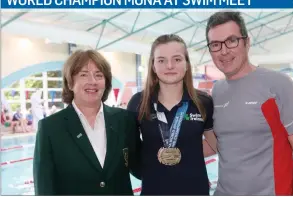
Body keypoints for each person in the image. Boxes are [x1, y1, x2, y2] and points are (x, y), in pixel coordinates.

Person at [206, 11, 293, 195]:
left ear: (247, 43)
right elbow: (219, 145)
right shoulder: (216, 92)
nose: (224, 51)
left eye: (232, 41)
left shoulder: (278, 84)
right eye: (216, 44)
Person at [33, 49, 141, 195]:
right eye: (83, 75)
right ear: (70, 83)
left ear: (106, 82)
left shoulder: (125, 120)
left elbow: (141, 168)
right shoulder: (51, 128)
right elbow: (45, 188)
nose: (92, 81)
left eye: (99, 75)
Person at [127, 34, 217, 195]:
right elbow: (130, 150)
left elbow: (216, 145)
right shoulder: (138, 102)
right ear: (153, 66)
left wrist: (190, 154)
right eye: (161, 60)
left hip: (195, 190)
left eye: (177, 59)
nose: (169, 66)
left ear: (187, 64)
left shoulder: (203, 102)